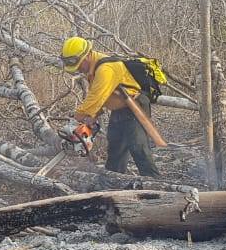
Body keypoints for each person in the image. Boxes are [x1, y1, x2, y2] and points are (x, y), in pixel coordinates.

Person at [60, 37, 161, 177]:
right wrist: (92, 117)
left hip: (135, 107)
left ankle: (155, 184)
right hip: (119, 110)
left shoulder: (105, 69)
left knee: (139, 149)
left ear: (87, 55)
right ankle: (113, 181)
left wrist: (76, 120)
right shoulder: (94, 68)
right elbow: (103, 97)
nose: (78, 69)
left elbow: (94, 98)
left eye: (79, 64)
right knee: (115, 150)